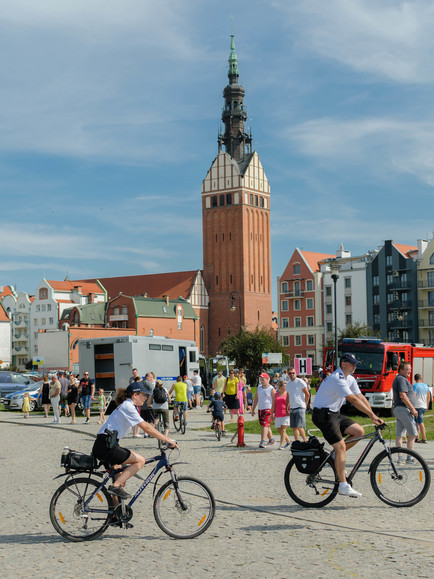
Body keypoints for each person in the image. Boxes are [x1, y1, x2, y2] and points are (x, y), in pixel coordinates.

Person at [312, 352, 383, 498]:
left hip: (334, 413)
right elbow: (353, 400)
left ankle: (334, 457)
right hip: (322, 415)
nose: (355, 366)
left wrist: (372, 415)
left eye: (355, 363)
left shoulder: (349, 378)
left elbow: (360, 397)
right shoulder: (337, 379)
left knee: (359, 431)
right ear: (343, 364)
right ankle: (343, 486)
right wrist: (372, 415)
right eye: (352, 363)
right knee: (340, 447)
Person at [92, 382, 177, 502]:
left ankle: (115, 516)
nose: (146, 398)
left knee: (120, 479)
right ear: (135, 395)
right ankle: (114, 487)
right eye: (143, 395)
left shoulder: (128, 406)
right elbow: (146, 427)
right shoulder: (128, 406)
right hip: (106, 446)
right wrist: (167, 439)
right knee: (140, 460)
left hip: (107, 444)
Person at [392, 362, 419, 458]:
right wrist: (413, 408)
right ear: (401, 370)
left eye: (410, 369)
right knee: (413, 434)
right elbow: (402, 395)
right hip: (404, 409)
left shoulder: (398, 379)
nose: (410, 371)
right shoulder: (401, 379)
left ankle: (400, 457)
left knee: (399, 435)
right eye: (408, 369)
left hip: (399, 409)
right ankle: (410, 457)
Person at [251, 372, 276, 448]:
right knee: (264, 425)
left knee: (265, 425)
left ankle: (263, 441)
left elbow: (275, 400)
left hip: (268, 409)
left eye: (263, 378)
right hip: (260, 409)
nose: (261, 380)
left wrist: (274, 411)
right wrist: (253, 409)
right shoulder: (259, 388)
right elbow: (256, 399)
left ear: (267, 379)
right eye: (260, 378)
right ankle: (271, 440)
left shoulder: (271, 388)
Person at [286, 368, 310, 443]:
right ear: (287, 374)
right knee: (294, 427)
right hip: (292, 407)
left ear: (295, 373)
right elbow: (288, 396)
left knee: (300, 426)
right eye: (290, 373)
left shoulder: (300, 381)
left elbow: (307, 394)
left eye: (293, 373)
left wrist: (305, 404)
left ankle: (305, 441)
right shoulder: (288, 384)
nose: (292, 375)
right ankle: (297, 442)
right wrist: (287, 406)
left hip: (300, 406)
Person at [271, 380, 290, 449]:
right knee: (279, 430)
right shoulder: (275, 394)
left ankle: (281, 445)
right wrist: (271, 414)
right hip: (278, 414)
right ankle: (288, 441)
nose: (286, 387)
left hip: (286, 413)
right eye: (284, 386)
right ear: (281, 387)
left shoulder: (288, 394)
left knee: (283, 429)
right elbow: (273, 405)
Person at [413, 374, 431, 444]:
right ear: (421, 378)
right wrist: (427, 405)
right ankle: (417, 437)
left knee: (420, 422)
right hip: (423, 406)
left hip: (418, 406)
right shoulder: (425, 386)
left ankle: (424, 438)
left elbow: (414, 395)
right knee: (417, 422)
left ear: (415, 379)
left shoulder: (415, 386)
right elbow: (428, 395)